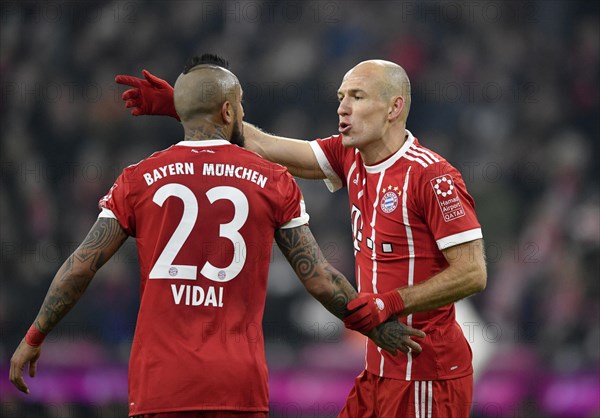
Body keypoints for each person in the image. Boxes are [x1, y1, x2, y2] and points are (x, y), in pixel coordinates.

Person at [10, 55, 427, 418]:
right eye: (240, 107)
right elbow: (319, 278)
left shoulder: (137, 181)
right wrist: (373, 327)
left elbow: (81, 265)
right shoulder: (273, 180)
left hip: (161, 384)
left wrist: (35, 336)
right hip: (237, 385)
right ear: (229, 111)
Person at [114, 58, 487, 417]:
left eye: (357, 97)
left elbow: (472, 273)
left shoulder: (433, 178)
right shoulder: (350, 156)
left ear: (394, 108)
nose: (343, 108)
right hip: (379, 368)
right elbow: (259, 144)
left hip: (425, 374)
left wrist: (389, 303)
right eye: (341, 97)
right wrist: (191, 109)